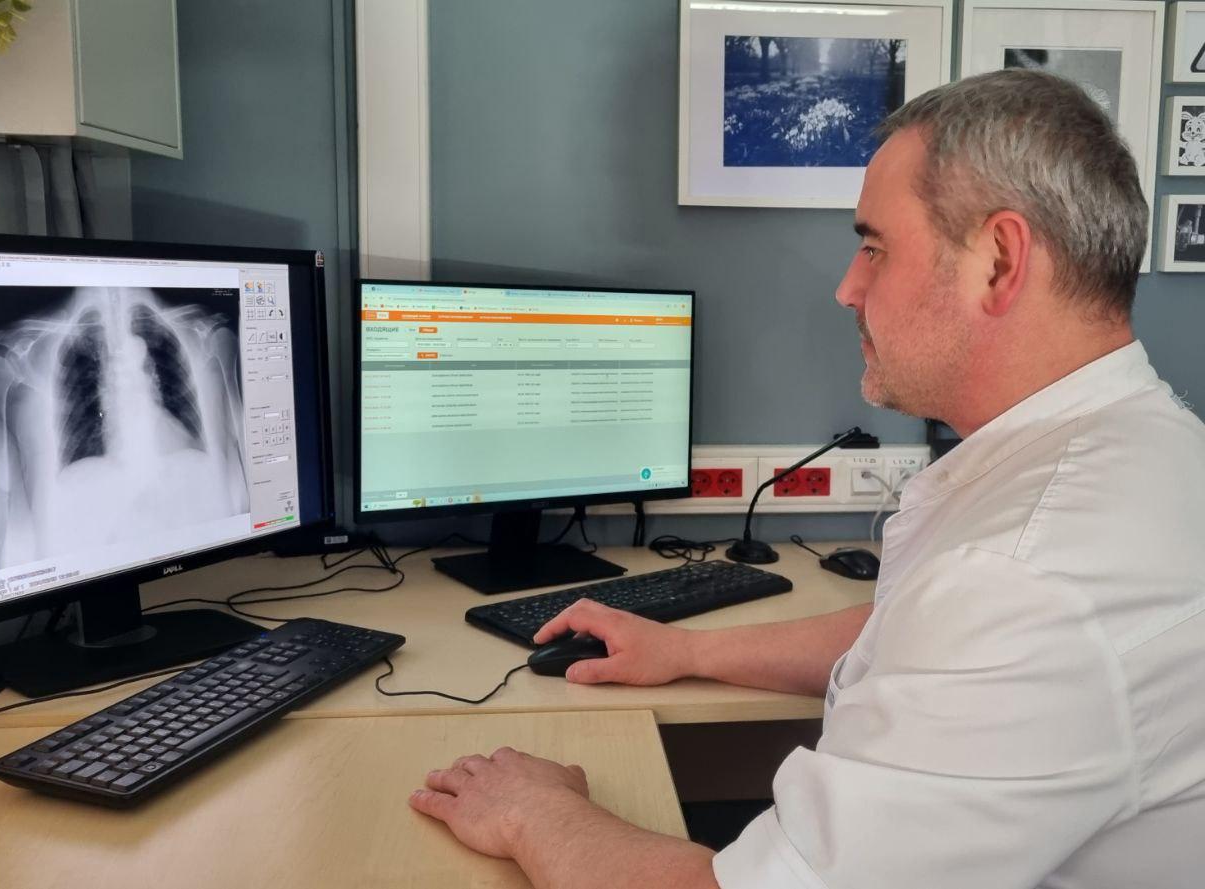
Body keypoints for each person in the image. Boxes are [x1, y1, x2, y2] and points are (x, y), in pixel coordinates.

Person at [407, 69, 1205, 888]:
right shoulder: (1140, 446)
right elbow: (908, 637)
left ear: (999, 261)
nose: (847, 287)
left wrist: (532, 811)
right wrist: (683, 647)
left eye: (874, 247)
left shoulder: (1027, 577)